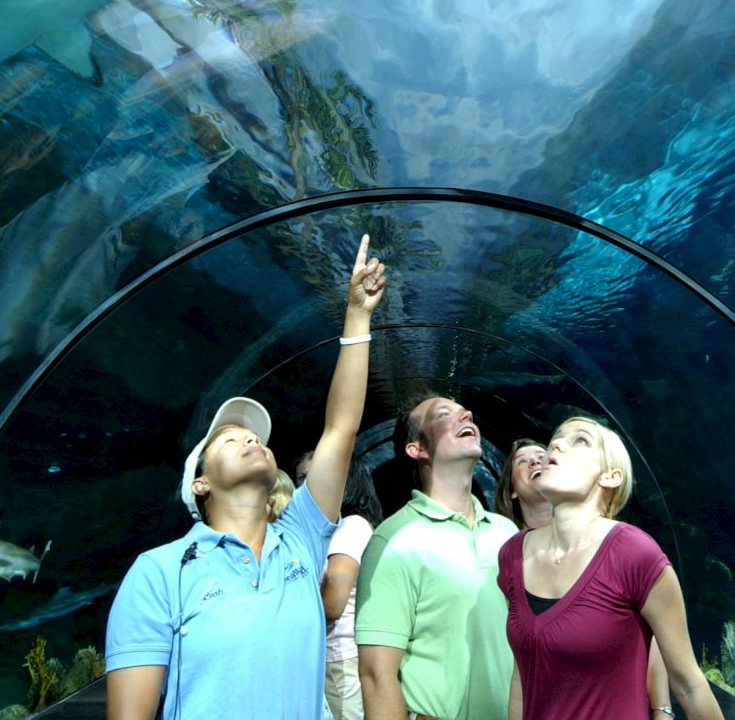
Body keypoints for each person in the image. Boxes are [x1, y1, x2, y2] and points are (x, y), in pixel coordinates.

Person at [104, 235, 387, 720]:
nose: (250, 440)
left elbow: (341, 428)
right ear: (200, 484)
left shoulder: (301, 540)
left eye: (254, 436)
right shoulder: (159, 571)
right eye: (228, 438)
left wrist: (357, 318)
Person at [496, 416, 724, 720]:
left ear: (610, 477)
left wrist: (662, 711)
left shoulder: (635, 553)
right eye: (557, 438)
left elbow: (689, 686)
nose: (558, 443)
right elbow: (522, 676)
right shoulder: (512, 555)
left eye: (581, 440)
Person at [355, 395, 517, 720]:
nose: (466, 414)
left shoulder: (507, 533)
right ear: (418, 449)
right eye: (445, 413)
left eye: (465, 411)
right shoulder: (394, 540)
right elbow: (376, 675)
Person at [297, 454, 383, 720]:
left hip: (341, 661)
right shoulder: (330, 530)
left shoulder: (350, 526)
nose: (306, 485)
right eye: (301, 478)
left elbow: (333, 604)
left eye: (315, 474)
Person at [495, 438, 552, 530]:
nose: (535, 461)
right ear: (512, 489)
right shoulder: (503, 539)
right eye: (522, 461)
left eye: (542, 457)